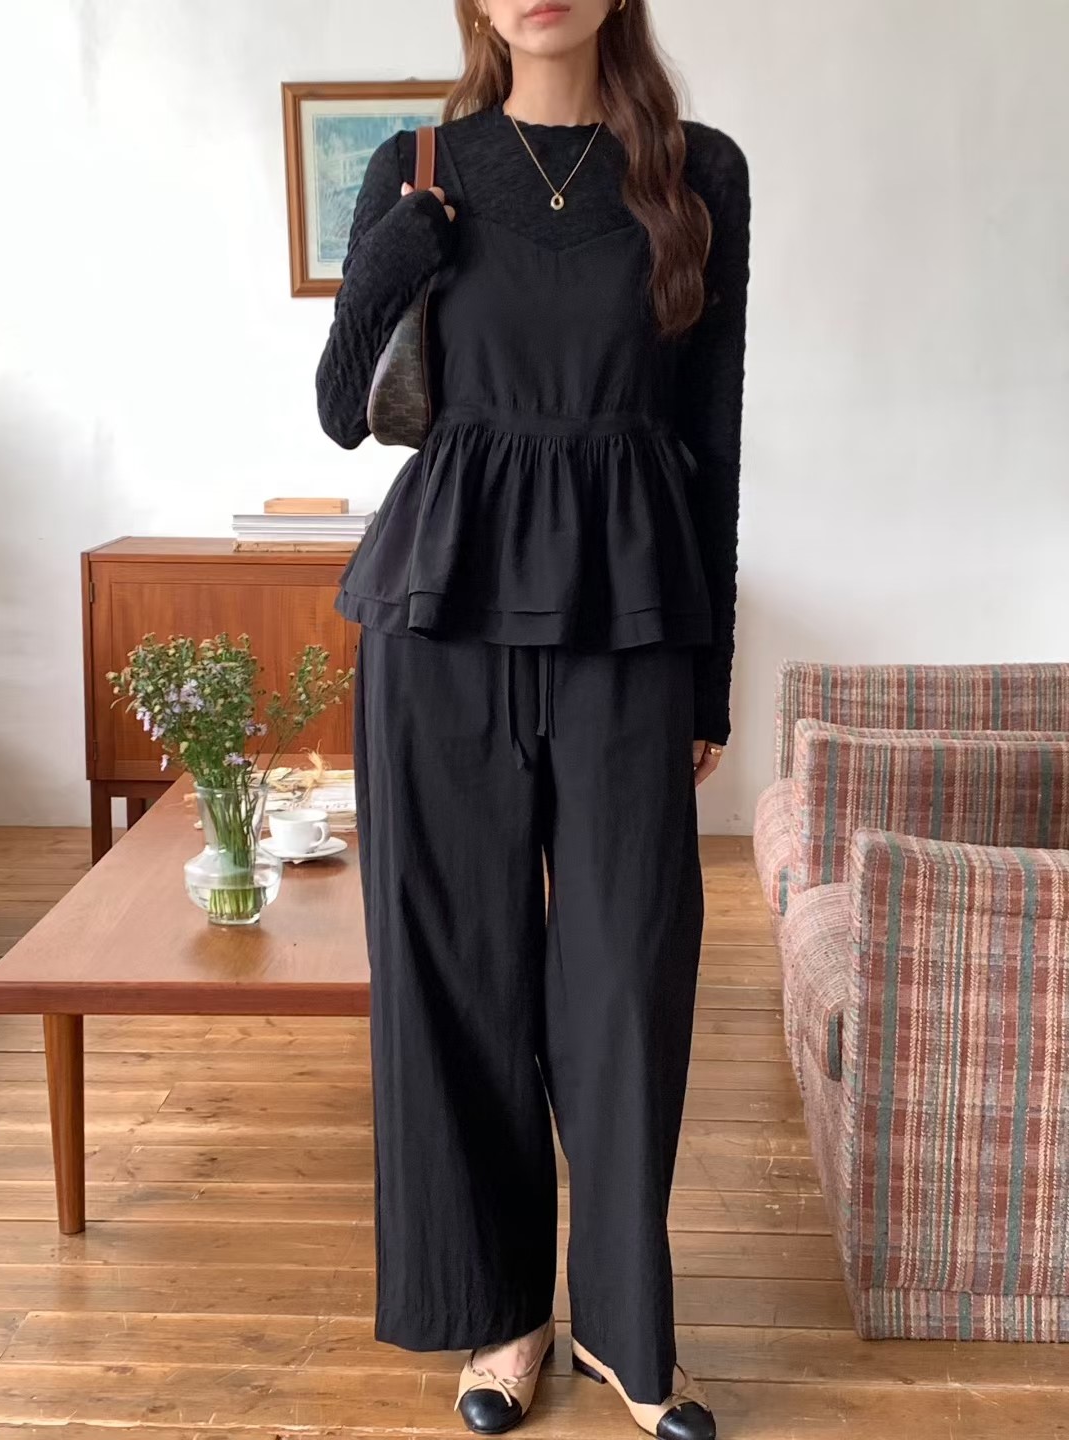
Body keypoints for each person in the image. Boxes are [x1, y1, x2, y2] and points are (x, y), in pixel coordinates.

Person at [315, 0, 750, 1434]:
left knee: (628, 973)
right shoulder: (418, 167)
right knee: (456, 969)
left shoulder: (700, 173)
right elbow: (342, 409)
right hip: (440, 615)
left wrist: (709, 677)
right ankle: (501, 1317)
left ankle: (627, 1329)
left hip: (630, 614)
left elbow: (712, 437)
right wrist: (394, 258)